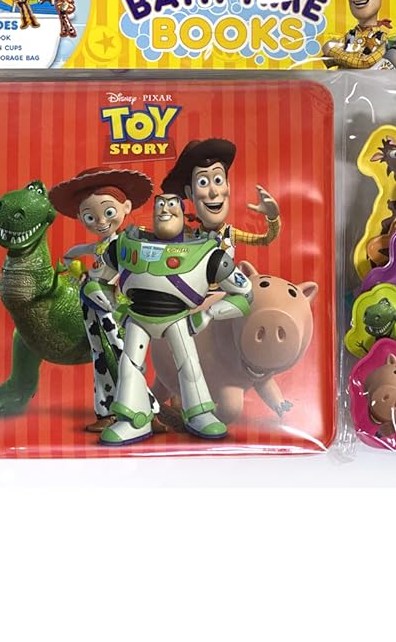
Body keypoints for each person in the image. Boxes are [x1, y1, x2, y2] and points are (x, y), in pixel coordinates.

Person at [99, 192, 254, 444]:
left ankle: (199, 413)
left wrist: (209, 313)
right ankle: (134, 419)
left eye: (172, 205)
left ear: (183, 214)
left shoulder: (208, 254)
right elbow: (97, 280)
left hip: (177, 318)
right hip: (137, 316)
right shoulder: (122, 247)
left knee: (189, 365)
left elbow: (244, 293)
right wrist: (110, 302)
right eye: (160, 204)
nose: (165, 210)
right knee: (130, 366)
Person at [49, 167, 153, 432]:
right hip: (90, 301)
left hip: (112, 305)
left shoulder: (126, 242)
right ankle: (105, 410)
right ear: (80, 217)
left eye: (108, 212)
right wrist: (79, 273)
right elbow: (69, 254)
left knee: (123, 353)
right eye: (89, 216)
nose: (100, 222)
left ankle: (147, 408)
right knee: (99, 355)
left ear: (125, 207)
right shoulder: (98, 246)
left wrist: (121, 293)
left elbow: (134, 269)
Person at [161, 137, 280, 255]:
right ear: (189, 193)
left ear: (228, 187)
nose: (214, 192)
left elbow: (264, 240)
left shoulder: (230, 234)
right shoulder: (192, 236)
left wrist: (273, 218)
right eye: (203, 182)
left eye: (218, 180)